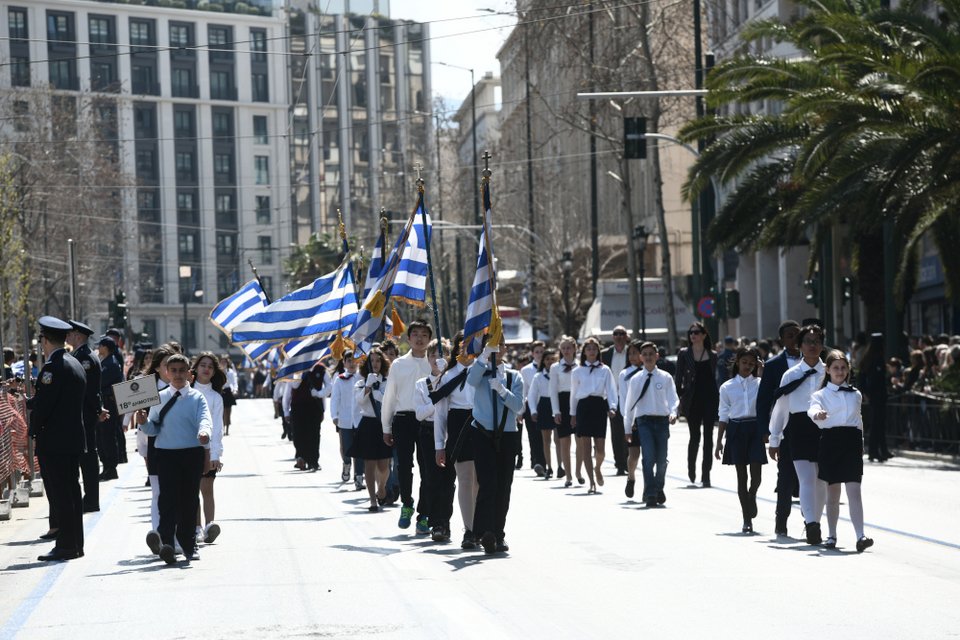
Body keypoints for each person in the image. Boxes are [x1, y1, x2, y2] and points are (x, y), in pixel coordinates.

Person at [138, 354, 212, 563]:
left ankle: (189, 545)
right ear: (167, 373)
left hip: (191, 454)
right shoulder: (158, 397)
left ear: (189, 373)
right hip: (166, 455)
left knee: (189, 500)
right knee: (167, 500)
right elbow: (152, 429)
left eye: (182, 370)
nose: (178, 374)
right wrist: (143, 422)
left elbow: (205, 419)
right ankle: (167, 543)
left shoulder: (197, 398)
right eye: (174, 370)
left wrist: (204, 433)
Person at [31, 317, 87, 562]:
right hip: (72, 438)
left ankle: (65, 545)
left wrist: (32, 430)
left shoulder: (53, 367)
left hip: (55, 440)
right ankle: (75, 543)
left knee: (62, 495)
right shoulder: (73, 362)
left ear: (45, 339)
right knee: (72, 493)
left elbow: (45, 406)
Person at [808, 350, 874, 552]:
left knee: (854, 491)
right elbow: (812, 408)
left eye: (843, 367)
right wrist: (817, 415)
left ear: (848, 370)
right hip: (831, 441)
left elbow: (859, 419)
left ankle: (860, 535)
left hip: (852, 442)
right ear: (827, 370)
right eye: (835, 368)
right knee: (833, 493)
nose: (840, 371)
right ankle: (831, 535)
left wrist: (861, 442)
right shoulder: (820, 394)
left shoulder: (855, 394)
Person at [769, 324, 827, 545]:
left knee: (822, 480)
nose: (813, 346)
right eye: (808, 342)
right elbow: (781, 407)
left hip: (825, 428)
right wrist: (774, 438)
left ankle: (817, 521)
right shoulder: (790, 375)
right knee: (806, 478)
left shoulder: (829, 371)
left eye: (817, 341)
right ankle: (811, 524)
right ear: (800, 345)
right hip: (798, 427)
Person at [468, 334, 525, 554]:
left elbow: (518, 406)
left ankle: (498, 533)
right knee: (488, 482)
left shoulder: (513, 376)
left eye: (499, 344)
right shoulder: (480, 370)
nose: (496, 348)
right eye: (491, 345)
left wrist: (502, 390)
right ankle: (482, 531)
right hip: (482, 432)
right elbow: (471, 382)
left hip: (507, 434)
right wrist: (483, 357)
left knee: (503, 485)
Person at [381, 321, 433, 530]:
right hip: (403, 419)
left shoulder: (435, 363)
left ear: (430, 339)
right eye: (415, 334)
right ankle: (407, 503)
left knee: (427, 467)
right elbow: (390, 397)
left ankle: (424, 513)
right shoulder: (399, 364)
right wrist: (386, 427)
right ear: (408, 338)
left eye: (424, 335)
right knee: (403, 466)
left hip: (428, 420)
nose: (419, 338)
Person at [430, 332, 479, 548]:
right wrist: (439, 446)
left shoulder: (484, 370)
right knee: (466, 479)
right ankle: (469, 530)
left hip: (482, 422)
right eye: (462, 344)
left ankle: (481, 525)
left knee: (480, 482)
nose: (466, 348)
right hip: (459, 425)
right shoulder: (448, 377)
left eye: (471, 344)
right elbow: (440, 414)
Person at [756, 320, 801, 536]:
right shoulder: (773, 365)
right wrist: (766, 429)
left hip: (810, 428)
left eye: (797, 334)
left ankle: (811, 523)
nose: (795, 339)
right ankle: (781, 521)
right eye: (790, 335)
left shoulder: (815, 362)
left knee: (811, 480)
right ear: (782, 340)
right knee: (785, 477)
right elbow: (764, 400)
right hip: (783, 428)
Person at [715, 347, 765, 533]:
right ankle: (746, 519)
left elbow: (769, 399)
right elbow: (723, 414)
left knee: (756, 476)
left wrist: (762, 371)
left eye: (752, 364)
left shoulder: (760, 383)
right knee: (741, 476)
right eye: (744, 362)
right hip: (736, 430)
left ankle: (752, 495)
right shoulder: (727, 387)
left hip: (755, 429)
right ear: (737, 362)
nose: (748, 366)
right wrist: (719, 441)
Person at [623, 341, 679, 507]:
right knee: (648, 458)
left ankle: (658, 487)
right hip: (644, 422)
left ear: (657, 356)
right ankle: (650, 494)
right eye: (644, 354)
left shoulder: (665, 377)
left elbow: (673, 398)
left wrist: (674, 413)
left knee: (662, 459)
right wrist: (628, 428)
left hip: (662, 422)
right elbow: (629, 405)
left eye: (651, 354)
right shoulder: (635, 380)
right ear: (640, 358)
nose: (648, 357)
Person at [570, 337, 618, 494]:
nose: (591, 351)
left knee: (600, 449)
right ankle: (591, 481)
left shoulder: (605, 370)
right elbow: (574, 394)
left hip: (598, 406)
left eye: (594, 349)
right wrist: (572, 413)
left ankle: (598, 467)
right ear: (584, 352)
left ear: (598, 351)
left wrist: (612, 407)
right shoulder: (577, 371)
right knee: (585, 447)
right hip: (583, 407)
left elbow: (611, 390)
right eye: (588, 349)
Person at [674, 322, 719, 487]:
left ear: (704, 335)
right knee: (695, 436)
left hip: (710, 399)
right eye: (691, 332)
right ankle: (691, 468)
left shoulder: (713, 355)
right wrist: (677, 400)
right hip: (692, 400)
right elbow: (678, 379)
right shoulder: (684, 354)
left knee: (709, 437)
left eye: (697, 332)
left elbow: (715, 378)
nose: (693, 335)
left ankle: (706, 474)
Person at [66, 321, 103, 514]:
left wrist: (97, 410)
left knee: (88, 459)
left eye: (70, 334)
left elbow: (88, 391)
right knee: (86, 457)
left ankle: (91, 500)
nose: (67, 337)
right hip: (86, 413)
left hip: (85, 415)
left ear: (78, 336)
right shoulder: (80, 355)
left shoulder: (85, 358)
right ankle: (89, 498)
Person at [349, 348, 392, 511]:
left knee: (383, 465)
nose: (375, 364)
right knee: (369, 464)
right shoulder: (360, 383)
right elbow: (360, 401)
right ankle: (372, 500)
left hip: (383, 425)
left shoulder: (387, 382)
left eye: (378, 360)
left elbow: (388, 400)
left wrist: (376, 390)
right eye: (372, 361)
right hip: (367, 424)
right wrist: (368, 386)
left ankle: (382, 487)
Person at [413, 338, 447, 539]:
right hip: (427, 432)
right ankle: (425, 516)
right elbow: (419, 413)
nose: (436, 359)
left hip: (448, 431)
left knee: (446, 479)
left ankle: (443, 521)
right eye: (432, 355)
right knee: (429, 477)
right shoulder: (421, 384)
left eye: (440, 355)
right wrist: (437, 402)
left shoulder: (452, 380)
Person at [190, 352, 225, 546]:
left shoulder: (216, 397)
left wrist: (216, 453)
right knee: (192, 490)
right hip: (187, 447)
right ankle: (196, 528)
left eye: (210, 367)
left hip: (207, 450)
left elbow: (218, 428)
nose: (206, 369)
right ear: (195, 368)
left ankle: (210, 525)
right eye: (203, 365)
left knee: (207, 489)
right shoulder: (187, 391)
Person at [283, 363, 331, 471]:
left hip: (314, 407)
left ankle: (313, 461)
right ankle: (301, 457)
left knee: (314, 435)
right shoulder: (296, 368)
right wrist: (286, 411)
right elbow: (293, 386)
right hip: (298, 407)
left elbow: (329, 386)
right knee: (299, 434)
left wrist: (319, 394)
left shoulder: (321, 369)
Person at [331, 351, 364, 490]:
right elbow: (335, 399)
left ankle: (359, 476)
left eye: (354, 360)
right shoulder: (339, 379)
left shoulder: (362, 378)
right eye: (349, 361)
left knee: (360, 449)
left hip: (360, 419)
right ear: (344, 363)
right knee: (347, 448)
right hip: (344, 420)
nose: (352, 363)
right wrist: (335, 416)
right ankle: (346, 464)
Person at [601, 326, 631, 476]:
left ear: (626, 336)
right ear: (612, 337)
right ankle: (619, 463)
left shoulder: (632, 353)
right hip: (611, 397)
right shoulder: (605, 355)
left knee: (628, 428)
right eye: (616, 334)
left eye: (622, 334)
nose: (619, 336)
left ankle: (628, 460)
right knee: (616, 431)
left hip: (629, 397)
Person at [549, 336, 579, 485]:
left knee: (581, 440)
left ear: (574, 348)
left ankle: (579, 470)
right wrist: (556, 411)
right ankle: (568, 475)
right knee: (564, 441)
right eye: (564, 348)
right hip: (562, 402)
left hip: (578, 402)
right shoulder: (555, 368)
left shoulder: (580, 366)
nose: (566, 351)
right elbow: (552, 391)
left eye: (569, 348)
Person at [857, 333, 892, 462]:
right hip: (876, 395)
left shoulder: (870, 358)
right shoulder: (874, 359)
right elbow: (869, 379)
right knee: (877, 424)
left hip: (877, 395)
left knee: (880, 424)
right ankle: (874, 451)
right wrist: (867, 392)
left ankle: (882, 449)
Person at [617, 341, 644, 499]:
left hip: (648, 418)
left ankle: (649, 489)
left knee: (649, 456)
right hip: (632, 420)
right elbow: (624, 400)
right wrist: (628, 420)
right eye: (631, 353)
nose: (633, 356)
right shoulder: (624, 374)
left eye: (636, 353)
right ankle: (631, 476)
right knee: (634, 455)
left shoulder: (651, 372)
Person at [528, 348, 558, 480]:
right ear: (543, 361)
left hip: (557, 403)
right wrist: (533, 411)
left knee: (559, 439)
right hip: (545, 405)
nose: (550, 362)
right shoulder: (538, 376)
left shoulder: (559, 374)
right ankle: (549, 466)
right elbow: (532, 395)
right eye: (547, 359)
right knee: (546, 440)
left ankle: (561, 466)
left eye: (553, 359)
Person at [96, 336, 123, 481]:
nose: (98, 348)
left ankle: (111, 468)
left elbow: (99, 382)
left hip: (109, 404)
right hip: (104, 403)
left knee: (107, 437)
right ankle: (107, 466)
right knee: (101, 437)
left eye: (100, 345)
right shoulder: (105, 362)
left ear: (105, 347)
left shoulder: (111, 364)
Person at [519, 340, 546, 475]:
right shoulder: (526, 370)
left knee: (546, 437)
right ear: (532, 353)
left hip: (547, 405)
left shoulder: (550, 368)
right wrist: (521, 411)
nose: (539, 354)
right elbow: (523, 391)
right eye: (537, 352)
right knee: (534, 436)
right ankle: (537, 462)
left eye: (542, 352)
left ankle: (548, 462)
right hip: (531, 405)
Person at [220, 356, 238, 436]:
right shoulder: (219, 372)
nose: (223, 363)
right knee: (223, 413)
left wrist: (235, 390)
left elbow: (234, 382)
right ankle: (223, 429)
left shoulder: (230, 372)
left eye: (225, 362)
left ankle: (227, 429)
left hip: (228, 391)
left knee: (228, 412)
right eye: (222, 362)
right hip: (221, 392)